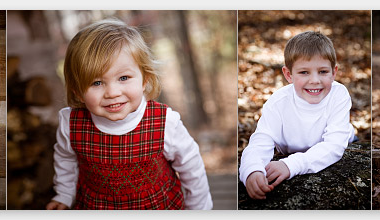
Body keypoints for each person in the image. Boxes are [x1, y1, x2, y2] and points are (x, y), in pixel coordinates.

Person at [46, 19, 211, 210]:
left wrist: (199, 209)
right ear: (77, 92)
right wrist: (65, 194)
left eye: (123, 78)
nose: (112, 92)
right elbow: (66, 159)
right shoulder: (71, 123)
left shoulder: (164, 122)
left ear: (144, 80)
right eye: (97, 83)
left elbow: (191, 167)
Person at [239, 31, 354, 200]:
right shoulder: (278, 102)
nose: (315, 80)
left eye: (323, 71)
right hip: (291, 147)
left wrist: (291, 164)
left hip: (342, 137)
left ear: (334, 72)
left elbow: (334, 145)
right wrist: (252, 170)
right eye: (304, 72)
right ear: (288, 75)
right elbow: (260, 141)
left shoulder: (339, 95)